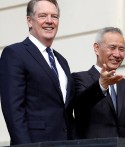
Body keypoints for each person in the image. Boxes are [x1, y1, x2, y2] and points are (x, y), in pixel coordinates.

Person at [0, 0, 75, 145]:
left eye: (54, 16)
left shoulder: (62, 61)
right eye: (43, 16)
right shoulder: (14, 54)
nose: (49, 21)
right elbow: (14, 111)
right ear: (30, 21)